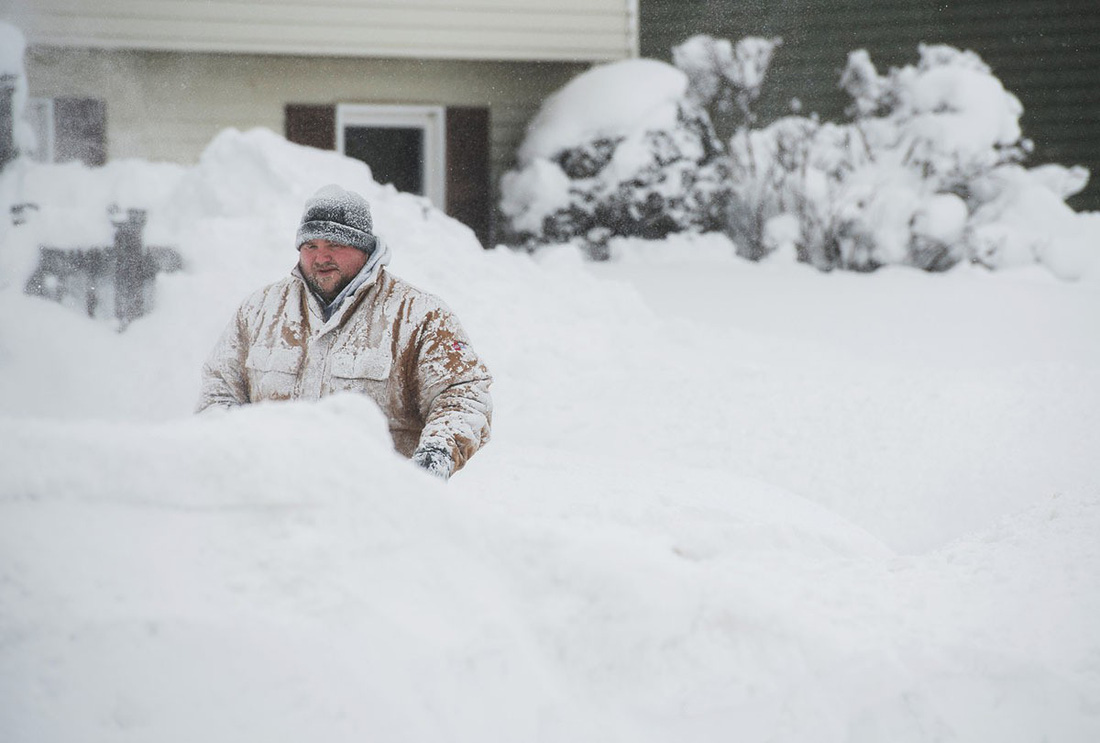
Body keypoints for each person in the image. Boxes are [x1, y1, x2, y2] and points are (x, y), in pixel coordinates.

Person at [196, 184, 492, 480]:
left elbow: (462, 396)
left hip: (373, 504)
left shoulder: (418, 315)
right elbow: (220, 388)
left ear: (364, 248)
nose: (321, 257)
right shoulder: (259, 311)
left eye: (334, 245)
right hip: (273, 500)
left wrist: (436, 454)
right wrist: (226, 457)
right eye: (311, 246)